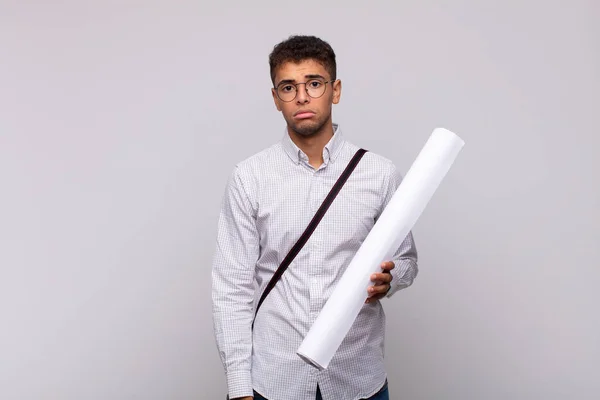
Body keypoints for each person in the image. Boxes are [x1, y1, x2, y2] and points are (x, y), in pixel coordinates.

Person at [211, 35, 418, 400]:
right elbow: (232, 286)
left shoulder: (379, 173)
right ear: (276, 99)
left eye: (314, 83)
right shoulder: (250, 176)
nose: (302, 97)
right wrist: (239, 384)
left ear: (334, 91)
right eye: (288, 87)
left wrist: (392, 277)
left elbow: (406, 259)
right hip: (276, 379)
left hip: (358, 377)